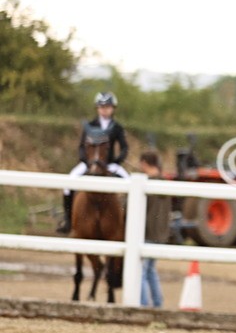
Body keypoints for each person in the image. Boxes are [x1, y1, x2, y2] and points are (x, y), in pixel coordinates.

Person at [58, 92, 130, 233]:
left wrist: (116, 161)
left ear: (113, 108)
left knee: (130, 185)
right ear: (97, 108)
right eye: (101, 107)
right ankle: (67, 219)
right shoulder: (90, 125)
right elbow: (81, 146)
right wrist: (86, 161)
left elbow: (124, 147)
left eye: (107, 107)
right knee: (68, 184)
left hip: (109, 164)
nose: (104, 109)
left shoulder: (117, 127)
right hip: (89, 163)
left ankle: (127, 221)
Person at [138, 151, 172, 308]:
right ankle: (158, 303)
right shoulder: (165, 183)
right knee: (151, 270)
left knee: (141, 271)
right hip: (161, 233)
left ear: (144, 163)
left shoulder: (147, 184)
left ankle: (143, 304)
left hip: (148, 232)